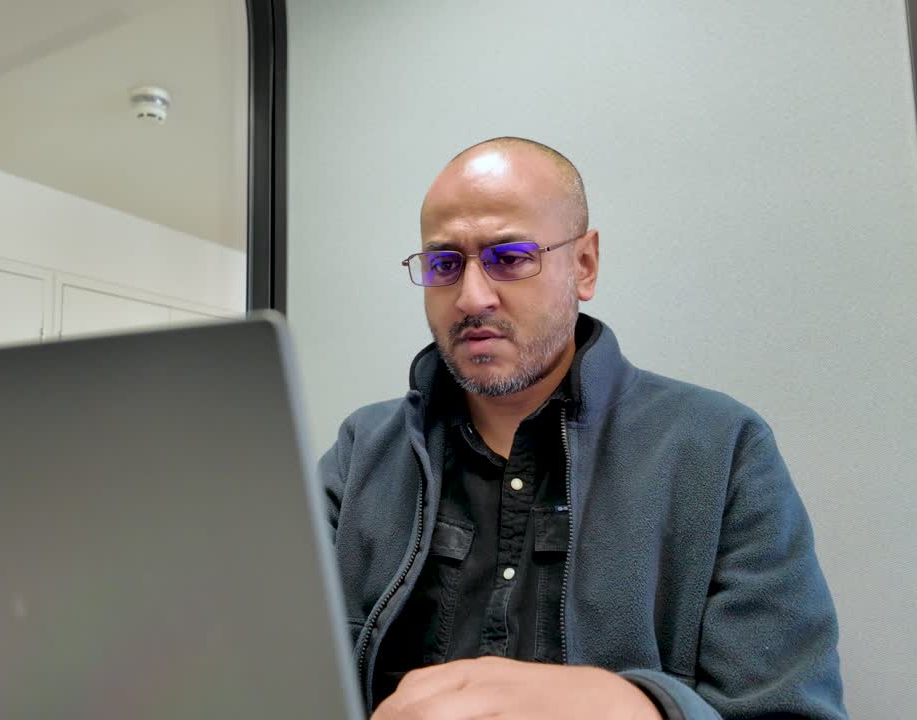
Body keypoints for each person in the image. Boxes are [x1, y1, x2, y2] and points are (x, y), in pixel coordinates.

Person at [319, 137, 846, 719]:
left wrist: (643, 708)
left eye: (510, 257)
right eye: (445, 264)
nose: (471, 296)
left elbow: (792, 711)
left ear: (585, 265)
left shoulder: (719, 451)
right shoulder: (361, 454)